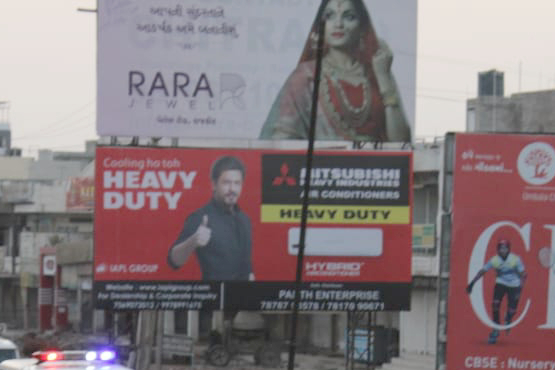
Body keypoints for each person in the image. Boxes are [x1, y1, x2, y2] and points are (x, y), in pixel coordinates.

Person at [260, 0, 411, 144]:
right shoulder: (306, 76)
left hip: (376, 169)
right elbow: (281, 138)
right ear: (320, 27)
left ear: (362, 28)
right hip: (320, 168)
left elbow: (401, 142)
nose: (338, 24)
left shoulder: (379, 73)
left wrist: (384, 78)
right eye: (329, 16)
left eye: (349, 17)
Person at [167, 155, 254, 282]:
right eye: (226, 183)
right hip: (214, 296)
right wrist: (193, 241)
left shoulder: (245, 219)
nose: (232, 189)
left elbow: (247, 265)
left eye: (237, 183)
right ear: (214, 184)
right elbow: (173, 260)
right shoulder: (200, 218)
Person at [466, 239, 527, 344]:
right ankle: (496, 328)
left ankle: (508, 318)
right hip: (501, 283)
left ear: (508, 249)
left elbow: (523, 274)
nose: (502, 250)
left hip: (514, 285)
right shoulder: (495, 260)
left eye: (505, 248)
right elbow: (482, 271)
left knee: (512, 310)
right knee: (495, 305)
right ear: (498, 249)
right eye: (500, 248)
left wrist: (520, 288)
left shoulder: (515, 259)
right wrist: (472, 283)